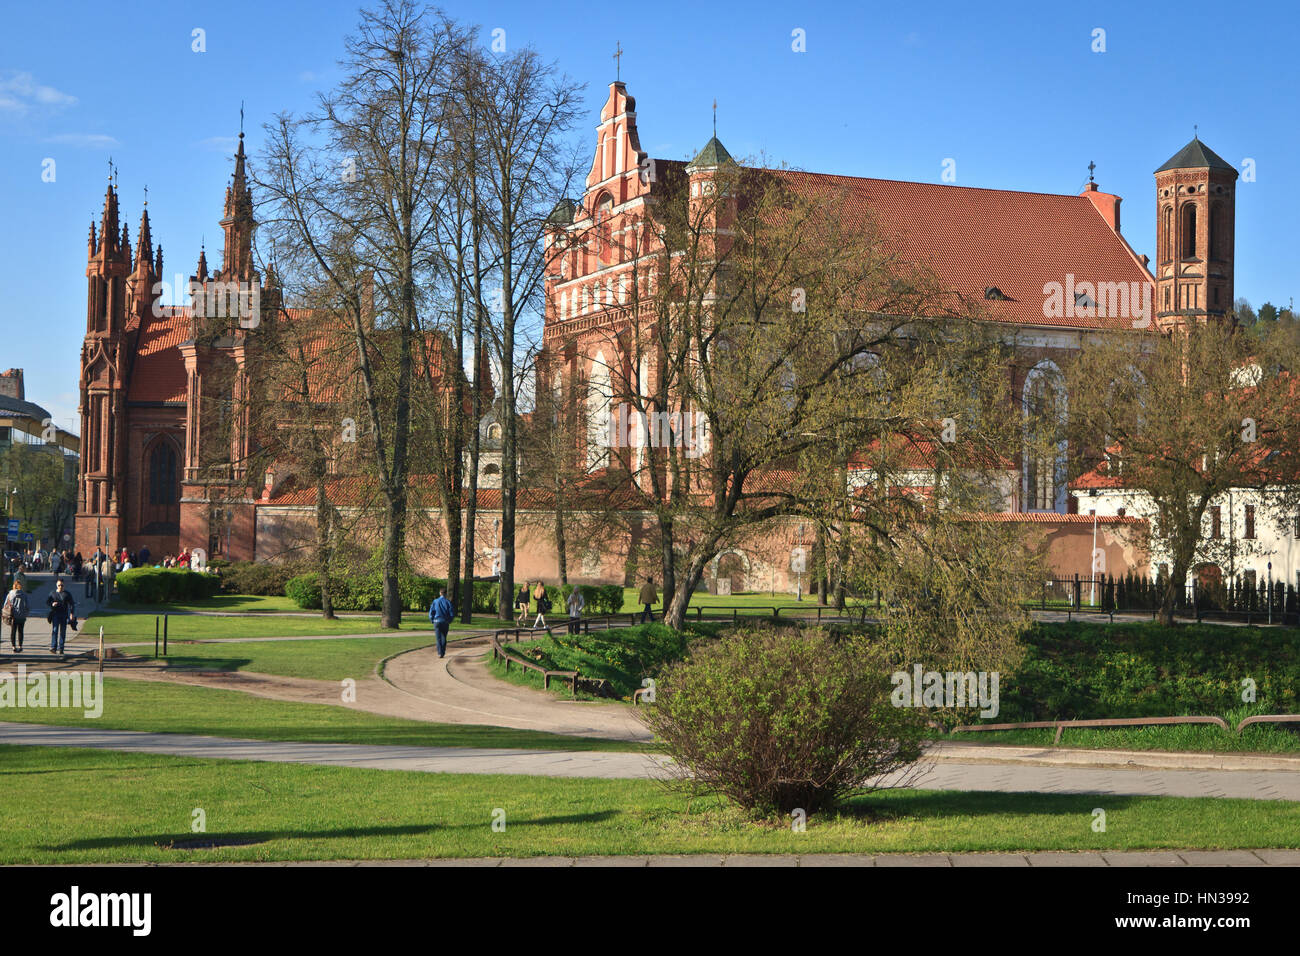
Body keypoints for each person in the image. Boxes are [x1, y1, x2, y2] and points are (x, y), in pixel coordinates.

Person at [46, 578, 77, 656]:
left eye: (62, 585)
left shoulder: (67, 594)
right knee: (55, 630)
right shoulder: (52, 593)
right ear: (56, 585)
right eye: (59, 585)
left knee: (62, 631)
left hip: (64, 615)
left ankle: (61, 648)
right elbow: (48, 601)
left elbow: (71, 604)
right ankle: (53, 647)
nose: (60, 587)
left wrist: (71, 614)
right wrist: (52, 604)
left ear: (64, 586)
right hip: (55, 614)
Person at [427, 587, 455, 659]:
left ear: (440, 593)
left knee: (438, 638)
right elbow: (451, 613)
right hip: (445, 622)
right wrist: (450, 620)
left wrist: (432, 620)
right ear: (445, 594)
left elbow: (431, 612)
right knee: (444, 637)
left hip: (437, 621)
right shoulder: (448, 602)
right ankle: (443, 652)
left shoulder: (435, 601)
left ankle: (439, 652)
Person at [2, 579, 29, 653]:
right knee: (21, 631)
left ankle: (13, 647)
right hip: (22, 616)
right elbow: (27, 606)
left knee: (13, 631)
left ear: (14, 586)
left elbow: (5, 605)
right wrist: (25, 613)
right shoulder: (24, 594)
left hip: (13, 615)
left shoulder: (10, 594)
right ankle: (20, 646)